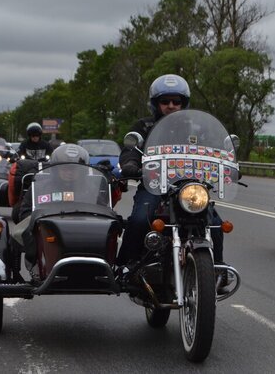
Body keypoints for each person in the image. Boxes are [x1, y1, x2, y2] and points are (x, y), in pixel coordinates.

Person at [116, 74, 227, 278]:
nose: (170, 105)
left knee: (216, 224)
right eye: (164, 101)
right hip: (154, 185)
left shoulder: (196, 128)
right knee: (140, 220)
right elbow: (130, 150)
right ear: (155, 104)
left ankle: (217, 269)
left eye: (176, 101)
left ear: (183, 103)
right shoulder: (144, 127)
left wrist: (227, 165)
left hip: (190, 187)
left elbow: (214, 148)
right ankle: (125, 265)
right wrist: (130, 163)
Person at [15, 143, 96, 280]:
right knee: (22, 229)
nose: (69, 172)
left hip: (83, 228)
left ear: (82, 170)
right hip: (48, 227)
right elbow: (25, 211)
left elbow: (104, 210)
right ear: (55, 168)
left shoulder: (92, 188)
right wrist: (37, 220)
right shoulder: (40, 186)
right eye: (64, 168)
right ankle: (35, 262)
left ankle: (97, 266)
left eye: (73, 169)